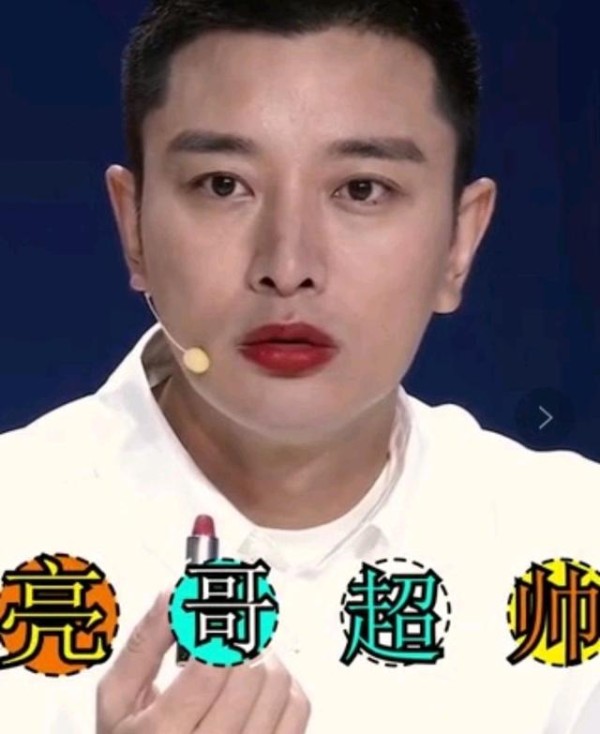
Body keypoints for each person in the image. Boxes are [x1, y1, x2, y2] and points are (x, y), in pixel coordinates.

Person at [1, 0, 599, 732]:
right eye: (223, 184)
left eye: (361, 189)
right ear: (133, 228)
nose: (288, 267)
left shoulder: (573, 548)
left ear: (459, 244)